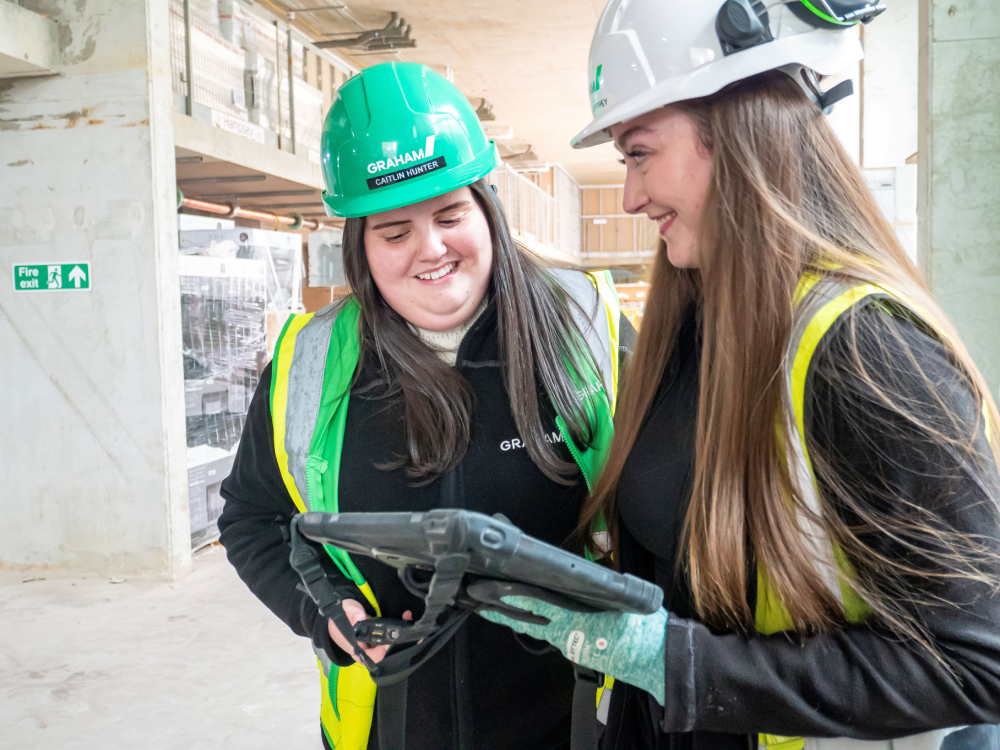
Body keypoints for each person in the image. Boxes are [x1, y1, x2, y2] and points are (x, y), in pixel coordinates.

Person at [481, 2, 1000, 749]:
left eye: (639, 153)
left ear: (733, 129)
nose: (629, 196)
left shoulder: (866, 352)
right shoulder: (695, 325)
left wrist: (681, 665)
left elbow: (973, 664)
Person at [218, 61, 634, 750]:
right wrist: (322, 612)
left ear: (487, 210)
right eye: (395, 232)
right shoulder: (308, 366)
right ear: (360, 244)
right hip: (393, 728)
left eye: (449, 215)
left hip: (572, 724)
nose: (431, 249)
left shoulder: (587, 328)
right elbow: (252, 516)